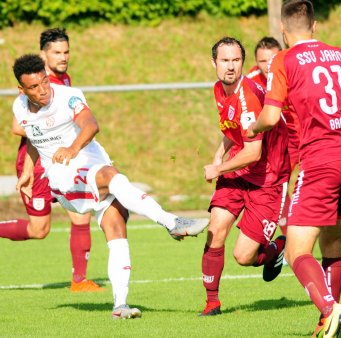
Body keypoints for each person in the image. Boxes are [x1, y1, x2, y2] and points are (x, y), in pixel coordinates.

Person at [11, 54, 209, 319]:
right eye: (34, 87)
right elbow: (35, 139)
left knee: (116, 224)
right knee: (111, 176)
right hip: (63, 178)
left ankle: (120, 305)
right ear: (21, 90)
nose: (42, 89)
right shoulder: (19, 107)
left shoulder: (68, 96)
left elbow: (91, 125)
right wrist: (28, 171)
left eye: (44, 82)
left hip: (90, 162)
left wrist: (72, 148)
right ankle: (171, 222)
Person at [247, 1, 341, 337]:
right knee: (331, 245)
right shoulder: (339, 54)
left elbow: (272, 116)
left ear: (283, 29)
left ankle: (328, 309)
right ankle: (329, 320)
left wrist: (254, 129)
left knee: (296, 250)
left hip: (321, 163)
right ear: (315, 26)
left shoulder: (284, 59)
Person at [0, 28, 100, 292]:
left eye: (66, 51)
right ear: (44, 54)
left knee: (81, 214)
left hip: (64, 159)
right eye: (57, 52)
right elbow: (18, 127)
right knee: (39, 229)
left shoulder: (63, 80)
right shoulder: (35, 85)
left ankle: (79, 281)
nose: (63, 57)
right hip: (38, 161)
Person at [199, 37, 290, 317]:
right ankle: (212, 303)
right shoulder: (219, 89)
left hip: (268, 178)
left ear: (242, 62)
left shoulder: (248, 94)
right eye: (224, 60)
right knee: (215, 229)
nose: (230, 66)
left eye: (236, 60)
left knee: (244, 257)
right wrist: (219, 153)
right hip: (239, 171)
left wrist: (218, 168)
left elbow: (253, 152)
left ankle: (277, 248)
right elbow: (232, 128)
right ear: (214, 63)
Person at [248, 36, 301, 171]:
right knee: (276, 177)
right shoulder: (251, 81)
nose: (268, 66)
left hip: (301, 134)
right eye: (262, 61)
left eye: (272, 59)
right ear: (256, 62)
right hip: (273, 136)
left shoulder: (295, 74)